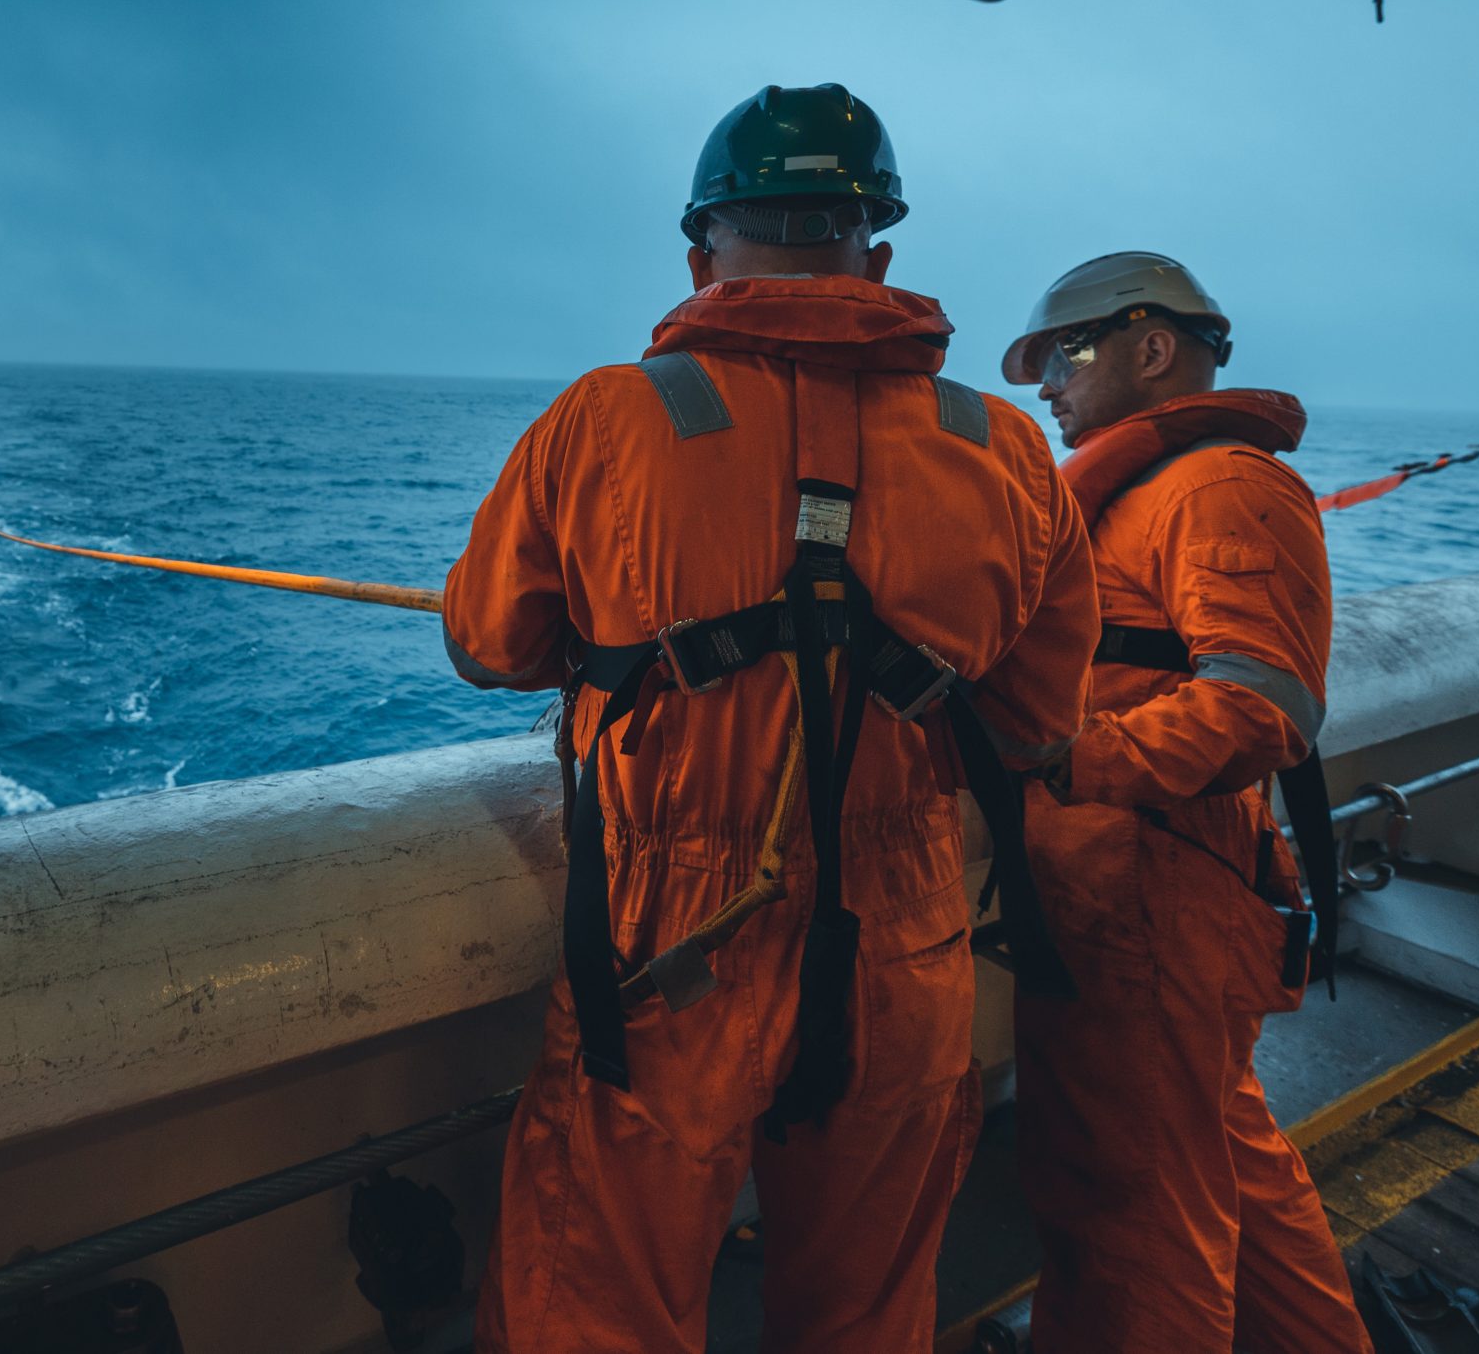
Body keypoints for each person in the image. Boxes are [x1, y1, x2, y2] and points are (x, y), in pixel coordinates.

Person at [442, 84, 1098, 1351]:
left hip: (668, 944)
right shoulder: (1006, 450)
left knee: (598, 1307)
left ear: (704, 251)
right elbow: (1032, 723)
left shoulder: (608, 417)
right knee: (865, 1314)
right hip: (902, 947)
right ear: (879, 252)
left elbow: (488, 645)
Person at [1000, 252, 1369, 1353]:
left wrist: (1067, 760)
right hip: (1123, 893)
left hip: (1151, 900)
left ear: (1150, 347)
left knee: (1136, 1212)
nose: (1046, 389)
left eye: (1062, 357)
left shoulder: (1221, 487)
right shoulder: (1152, 489)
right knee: (1220, 1163)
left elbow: (1263, 709)